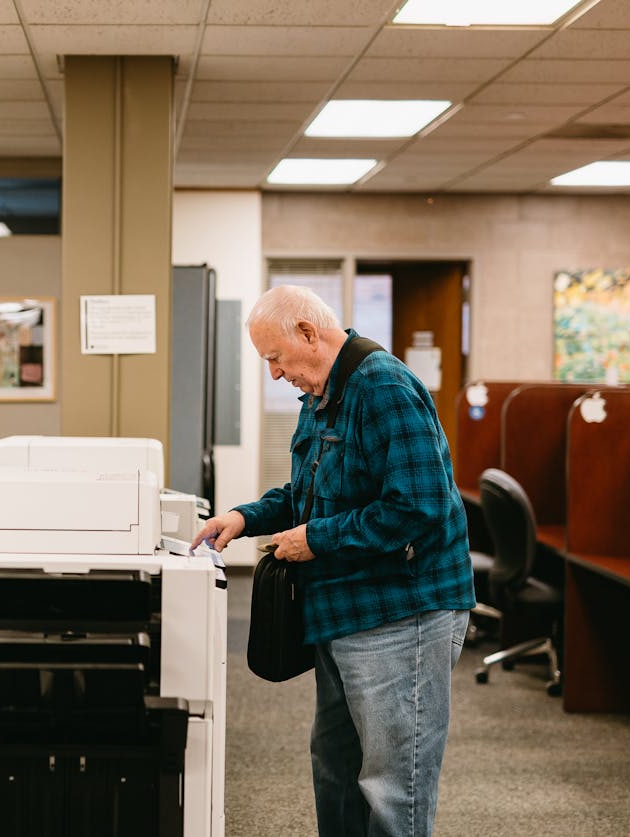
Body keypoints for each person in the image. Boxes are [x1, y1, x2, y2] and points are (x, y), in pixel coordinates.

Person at [192, 284, 474, 837]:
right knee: (336, 769)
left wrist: (316, 539)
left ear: (307, 332)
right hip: (341, 612)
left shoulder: (384, 388)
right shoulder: (323, 395)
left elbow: (419, 506)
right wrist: (245, 517)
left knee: (394, 785)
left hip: (401, 615)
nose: (275, 373)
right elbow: (309, 493)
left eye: (275, 357)